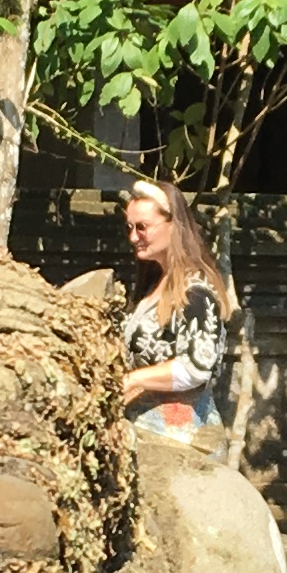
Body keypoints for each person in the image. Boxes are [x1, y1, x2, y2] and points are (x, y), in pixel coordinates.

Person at [118, 176, 231, 441]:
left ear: (173, 225)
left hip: (183, 441)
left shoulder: (196, 291)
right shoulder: (154, 286)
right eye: (130, 227)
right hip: (148, 432)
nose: (133, 237)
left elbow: (195, 368)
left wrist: (134, 379)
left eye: (142, 227)